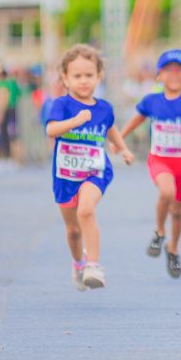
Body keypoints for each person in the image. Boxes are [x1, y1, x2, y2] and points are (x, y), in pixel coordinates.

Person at [45, 44, 135, 291]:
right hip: (65, 175)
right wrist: (74, 121)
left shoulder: (104, 108)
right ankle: (78, 262)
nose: (83, 81)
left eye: (89, 75)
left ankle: (94, 265)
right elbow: (50, 130)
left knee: (86, 210)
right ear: (65, 78)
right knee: (73, 230)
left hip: (96, 170)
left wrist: (123, 149)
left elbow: (111, 128)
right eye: (77, 76)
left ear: (99, 76)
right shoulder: (61, 105)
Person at [120, 49, 181, 278]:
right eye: (168, 70)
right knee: (166, 192)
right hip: (160, 159)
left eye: (179, 70)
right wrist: (120, 138)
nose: (173, 74)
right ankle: (160, 231)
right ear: (159, 75)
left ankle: (173, 249)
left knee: (179, 211)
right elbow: (138, 118)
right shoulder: (152, 101)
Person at [0, 69, 22, 161]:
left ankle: (7, 155)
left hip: (5, 109)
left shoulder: (1, 84)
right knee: (14, 133)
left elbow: (2, 97)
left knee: (4, 132)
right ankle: (15, 156)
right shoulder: (13, 83)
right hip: (14, 109)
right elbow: (19, 94)